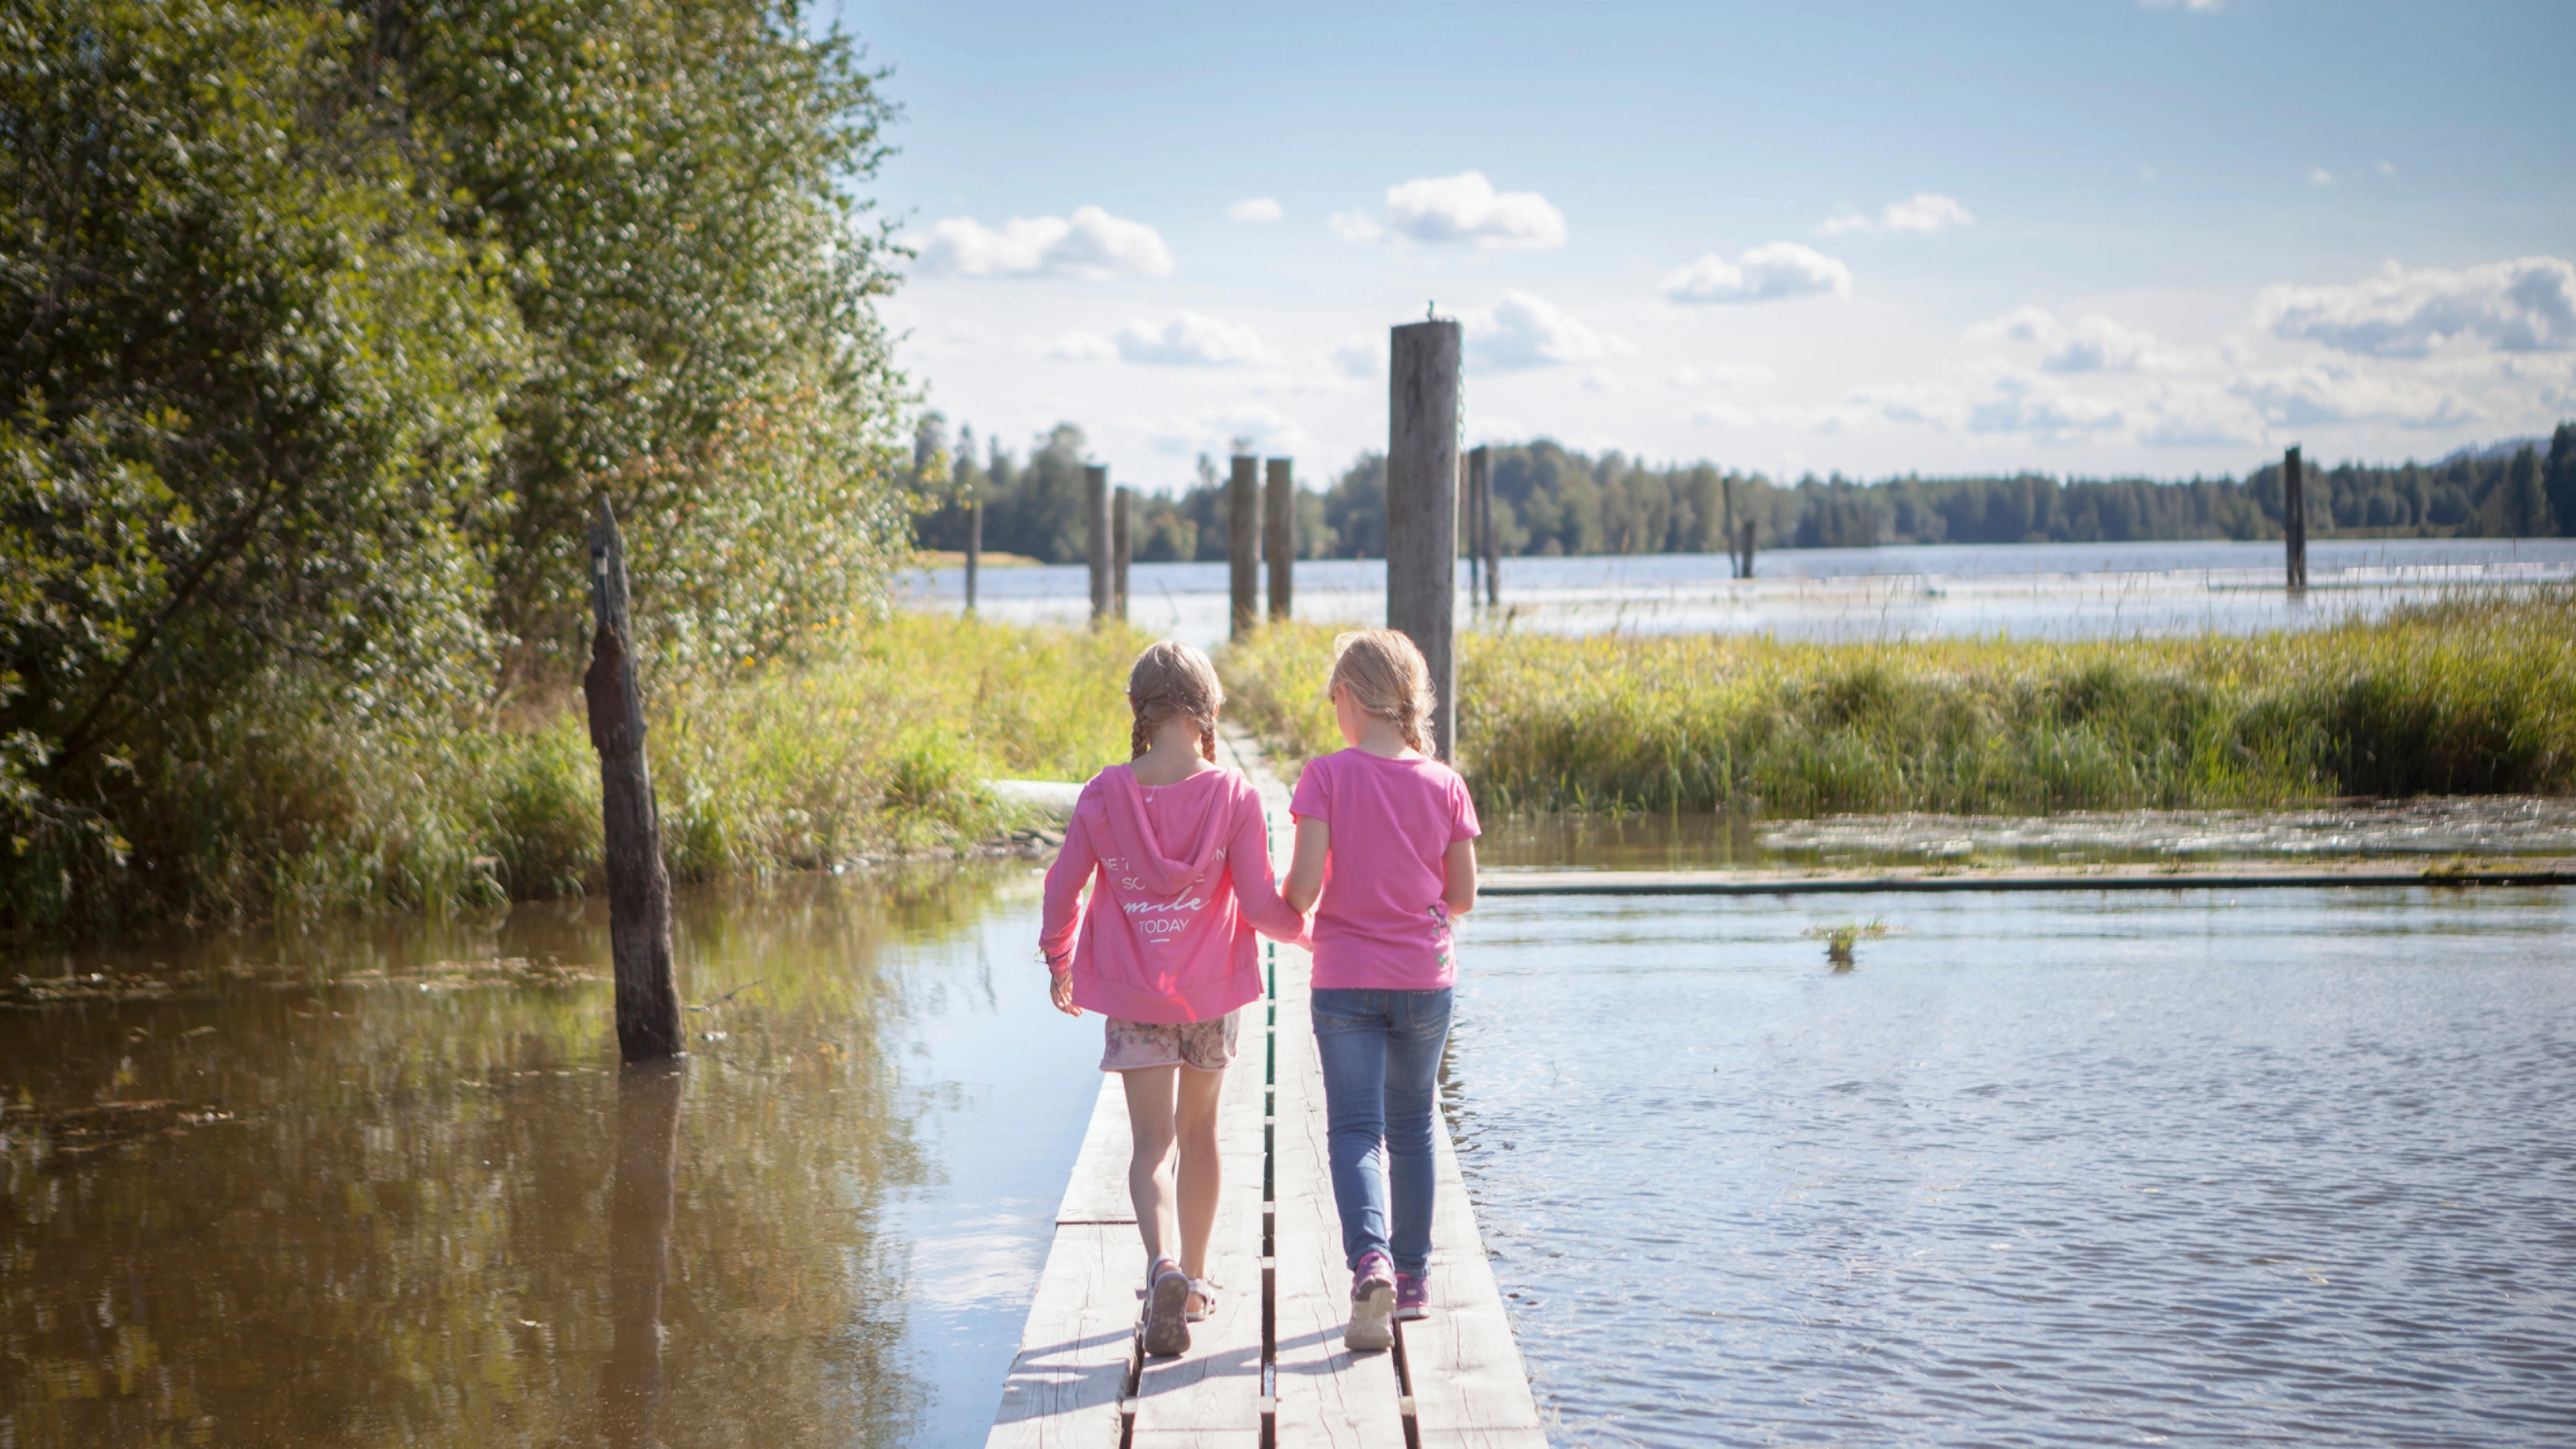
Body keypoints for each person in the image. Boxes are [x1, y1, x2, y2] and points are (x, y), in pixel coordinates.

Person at [1039, 640, 1308, 1358]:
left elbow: (1062, 888)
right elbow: (1260, 905)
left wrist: (1059, 957)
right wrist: (1316, 935)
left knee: (1151, 1146)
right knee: (1200, 1137)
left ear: (1138, 712)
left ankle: (1159, 1267)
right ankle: (1191, 1278)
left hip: (1134, 998)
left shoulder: (1103, 794)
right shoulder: (1234, 796)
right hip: (1212, 997)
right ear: (1209, 712)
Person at [1280, 629, 1479, 1352]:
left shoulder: (1325, 777)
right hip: (1425, 982)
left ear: (1351, 698)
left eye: (1333, 697)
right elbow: (1462, 897)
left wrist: (1286, 901)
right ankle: (1417, 1282)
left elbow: (1302, 891)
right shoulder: (1445, 783)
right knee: (1415, 1127)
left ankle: (1372, 1263)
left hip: (1344, 982)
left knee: (1356, 1131)